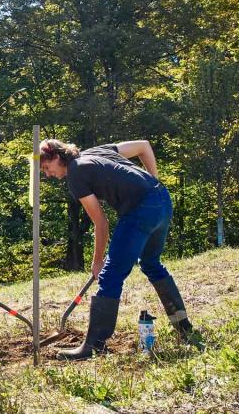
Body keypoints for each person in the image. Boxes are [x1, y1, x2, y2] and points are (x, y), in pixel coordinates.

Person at [39, 139, 198, 360]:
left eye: (47, 168)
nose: (47, 174)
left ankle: (93, 346)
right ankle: (183, 327)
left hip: (140, 210)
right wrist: (154, 180)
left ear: (57, 157)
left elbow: (101, 222)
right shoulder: (95, 150)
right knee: (151, 263)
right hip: (162, 200)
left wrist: (97, 262)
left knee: (111, 275)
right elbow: (144, 146)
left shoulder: (75, 174)